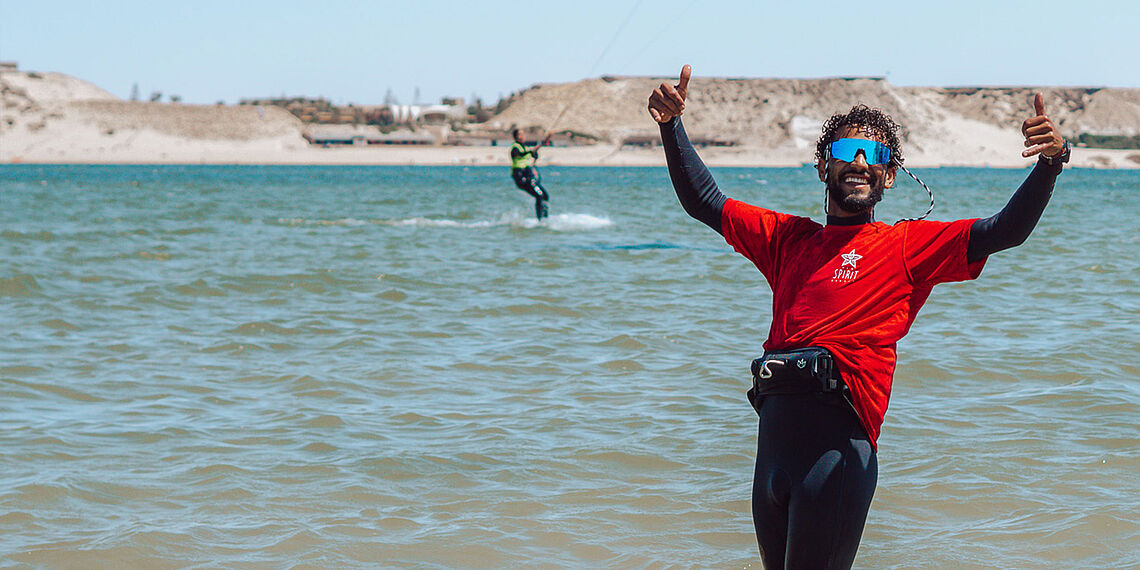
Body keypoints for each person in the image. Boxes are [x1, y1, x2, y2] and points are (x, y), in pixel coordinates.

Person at [648, 65, 1067, 569]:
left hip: (838, 456)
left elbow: (1005, 230)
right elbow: (706, 201)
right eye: (847, 151)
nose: (861, 162)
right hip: (772, 457)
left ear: (890, 175)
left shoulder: (907, 247)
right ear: (824, 167)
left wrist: (1051, 164)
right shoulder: (788, 241)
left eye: (876, 156)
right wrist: (671, 127)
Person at [510, 128, 552, 220]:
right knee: (539, 195)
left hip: (528, 174)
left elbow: (533, 156)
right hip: (520, 176)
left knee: (545, 195)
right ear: (516, 137)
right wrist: (530, 151)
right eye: (519, 135)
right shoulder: (515, 147)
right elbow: (518, 154)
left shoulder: (525, 147)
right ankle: (540, 219)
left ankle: (545, 217)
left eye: (523, 134)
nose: (522, 136)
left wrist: (535, 152)